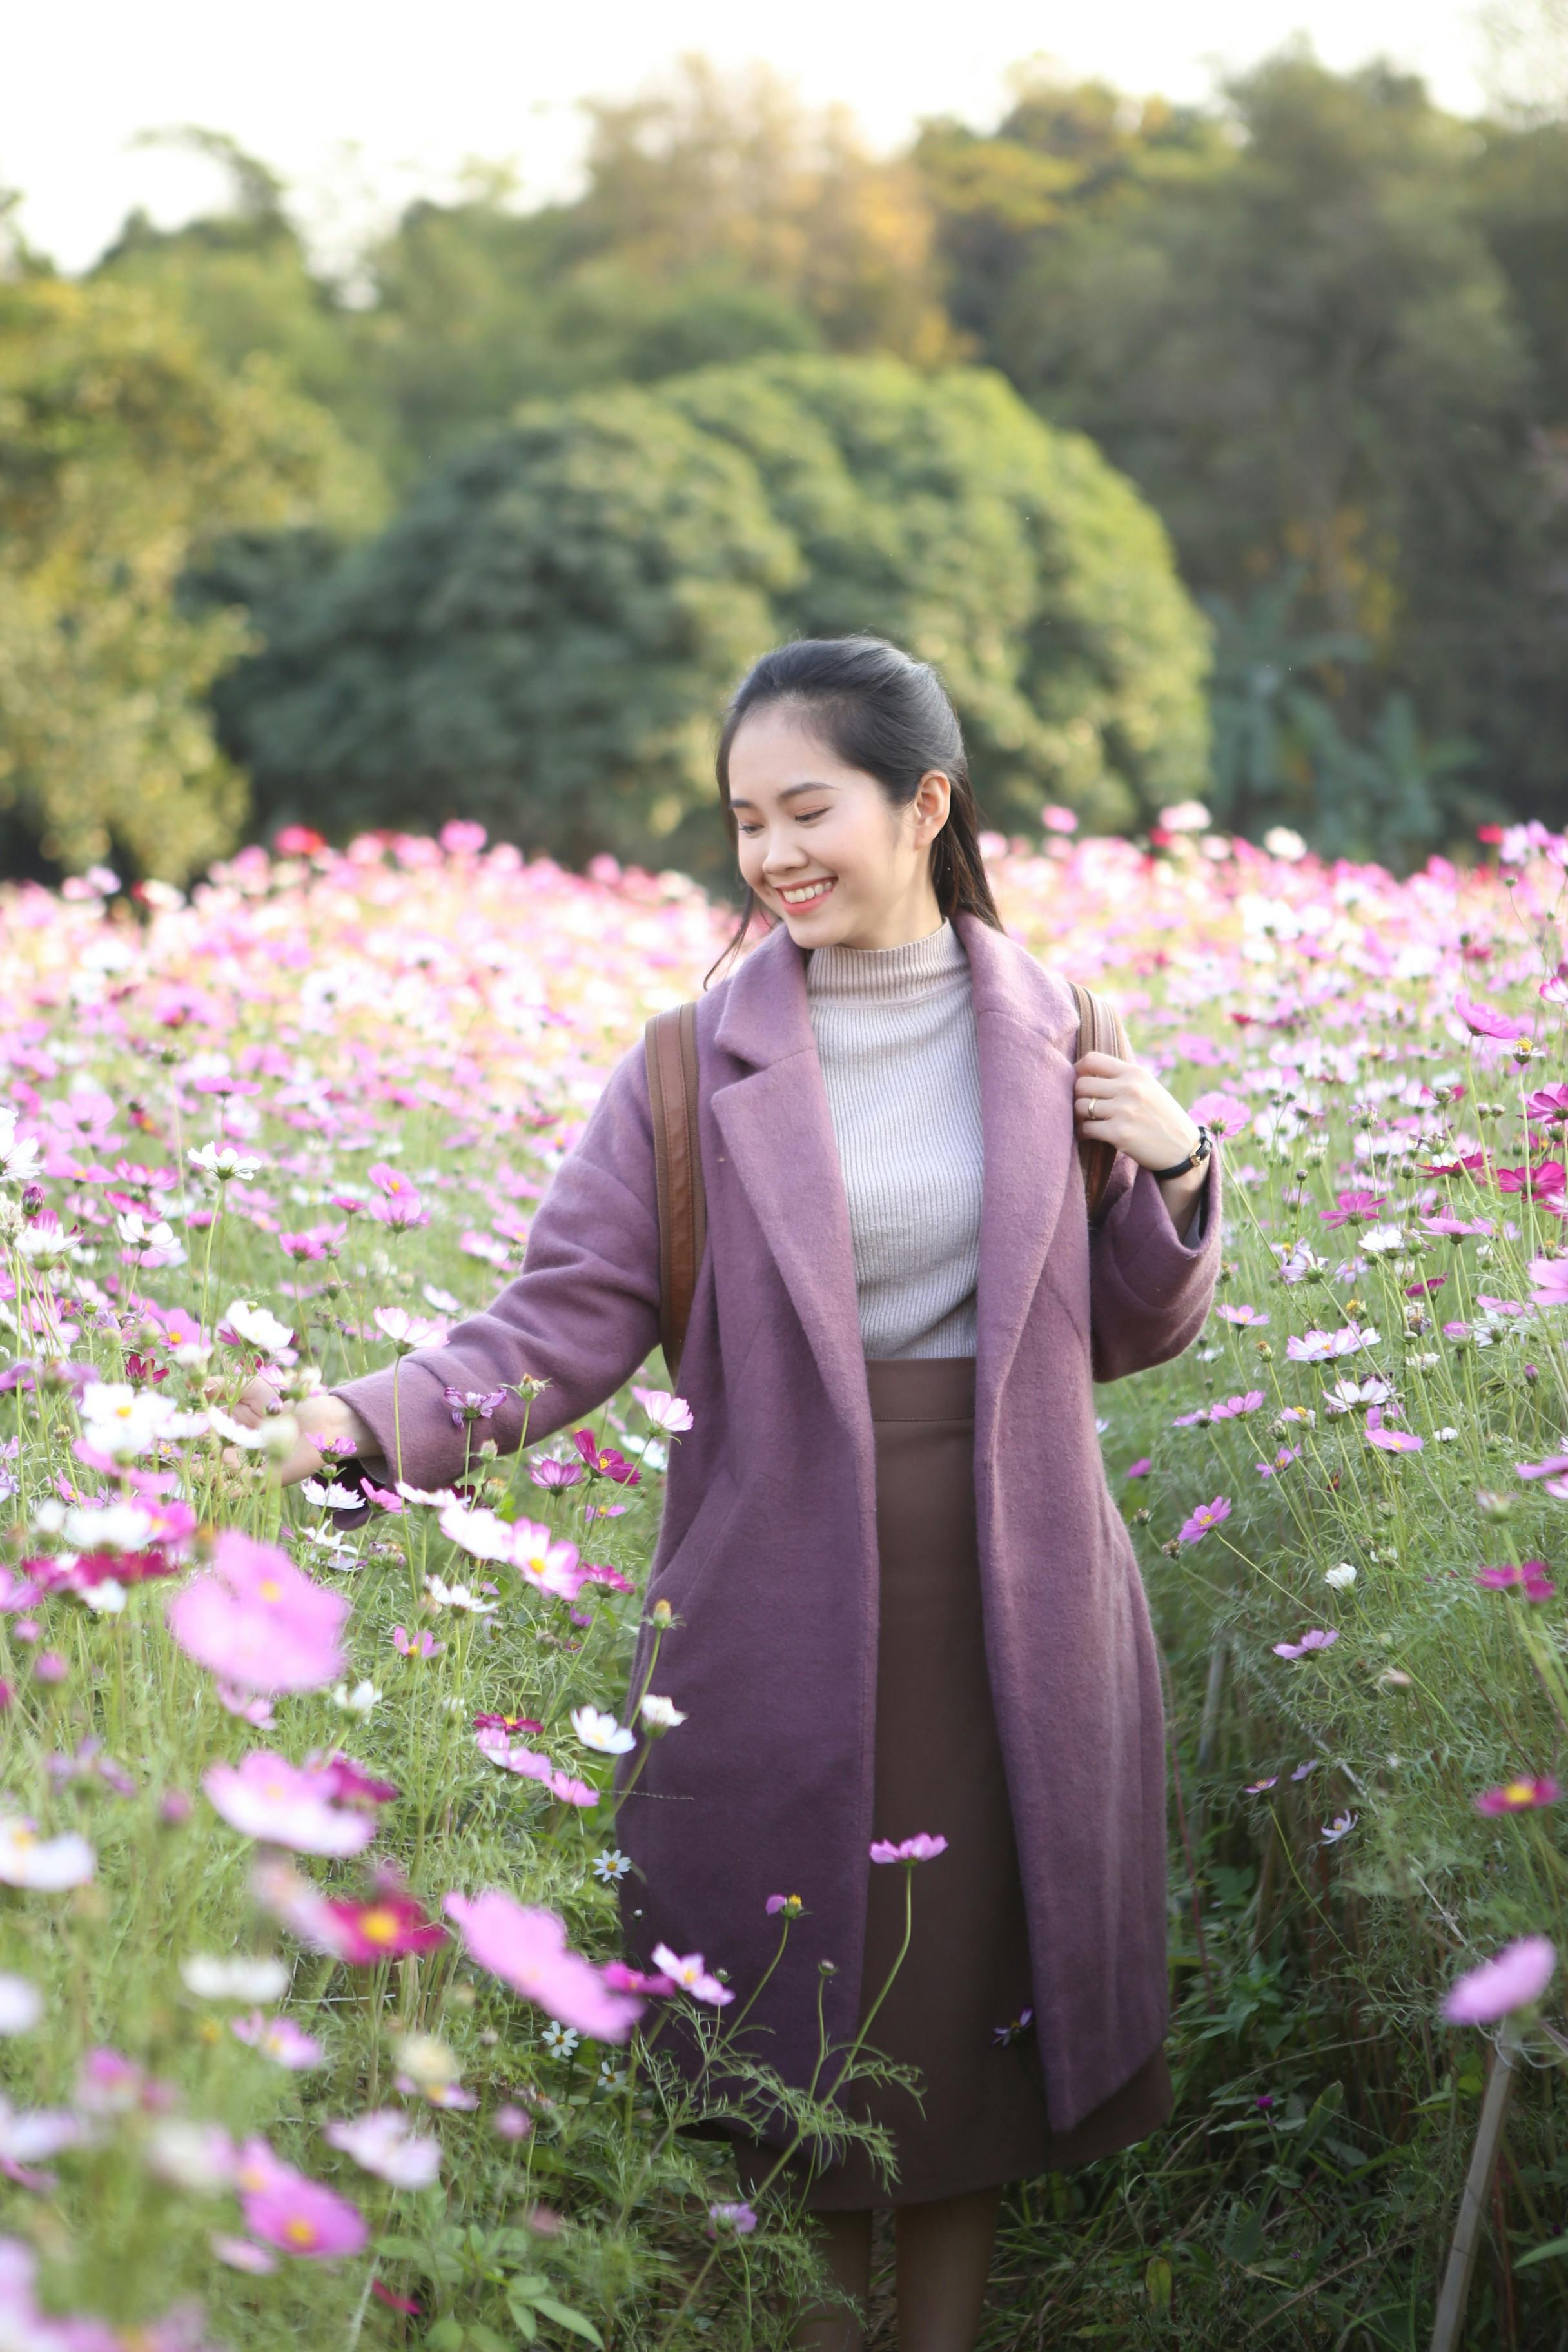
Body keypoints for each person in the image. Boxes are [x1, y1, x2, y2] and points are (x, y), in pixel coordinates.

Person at [236, 636, 1222, 2351]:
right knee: (802, 2006)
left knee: (969, 1997)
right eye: (746, 821)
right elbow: (565, 1317)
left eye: (807, 809)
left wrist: (1179, 1164)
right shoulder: (690, 1064)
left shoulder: (1059, 1028)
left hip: (1020, 1590)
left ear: (925, 804)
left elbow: (1128, 1327)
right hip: (781, 1591)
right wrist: (359, 1419)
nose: (772, 855)